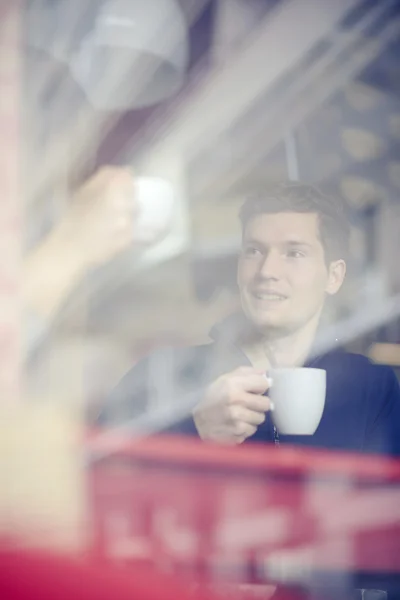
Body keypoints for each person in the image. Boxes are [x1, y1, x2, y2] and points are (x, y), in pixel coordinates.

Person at [99, 181, 400, 456]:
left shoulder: (373, 388)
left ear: (334, 277)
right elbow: (94, 479)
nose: (267, 271)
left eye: (294, 253)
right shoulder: (163, 375)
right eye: (254, 251)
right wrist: (193, 430)